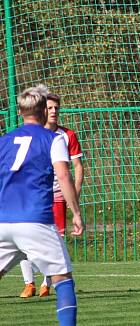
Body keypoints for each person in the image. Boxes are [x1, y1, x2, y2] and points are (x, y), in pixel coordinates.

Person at [0, 84, 84, 326]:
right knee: (63, 279)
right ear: (43, 112)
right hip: (35, 220)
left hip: (3, 220)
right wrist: (76, 212)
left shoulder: (4, 141)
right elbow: (64, 175)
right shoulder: (53, 138)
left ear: (21, 112)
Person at [19, 91, 85, 298]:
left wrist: (73, 196)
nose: (54, 111)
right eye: (49, 108)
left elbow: (76, 167)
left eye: (57, 108)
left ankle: (46, 284)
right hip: (32, 195)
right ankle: (29, 283)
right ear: (41, 110)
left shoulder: (67, 135)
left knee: (55, 241)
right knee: (24, 241)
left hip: (56, 195)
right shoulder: (30, 136)